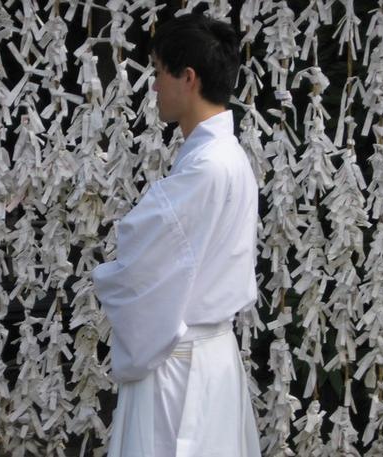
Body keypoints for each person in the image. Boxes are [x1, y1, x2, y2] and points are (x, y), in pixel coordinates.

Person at [91, 13, 262, 457]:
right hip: (208, 359)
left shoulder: (205, 168)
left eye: (158, 72)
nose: (154, 86)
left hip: (181, 370)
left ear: (187, 78)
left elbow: (138, 266)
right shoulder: (227, 157)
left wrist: (107, 276)